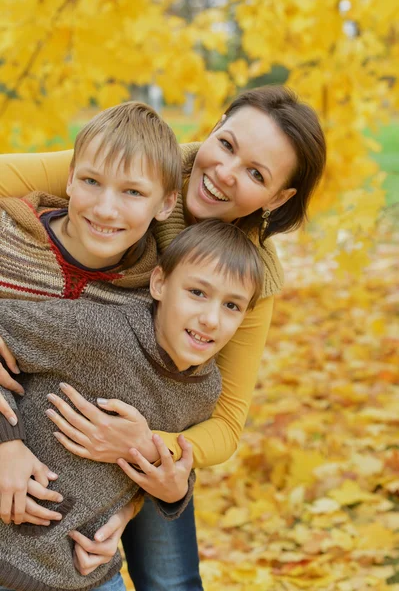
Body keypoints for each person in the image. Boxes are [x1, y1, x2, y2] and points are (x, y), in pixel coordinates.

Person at [0, 85, 327, 590]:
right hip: (70, 369)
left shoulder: (250, 275)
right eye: (229, 145)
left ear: (279, 198)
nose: (224, 173)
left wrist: (150, 454)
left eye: (256, 174)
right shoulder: (137, 166)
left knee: (171, 580)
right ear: (216, 124)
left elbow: (224, 422)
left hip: (152, 421)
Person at [0, 219, 264, 591]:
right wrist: (6, 440)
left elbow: (167, 462)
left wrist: (173, 493)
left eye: (232, 305)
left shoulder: (205, 390)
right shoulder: (97, 332)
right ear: (159, 284)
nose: (211, 318)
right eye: (197, 293)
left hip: (85, 568)